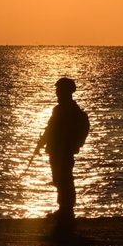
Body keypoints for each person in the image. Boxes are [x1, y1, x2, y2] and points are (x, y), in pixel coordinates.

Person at [36, 77, 90, 223]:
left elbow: (53, 129)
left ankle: (66, 210)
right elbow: (50, 130)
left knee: (64, 179)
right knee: (61, 179)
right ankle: (65, 209)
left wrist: (44, 142)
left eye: (59, 89)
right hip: (58, 150)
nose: (57, 92)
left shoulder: (66, 110)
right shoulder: (64, 109)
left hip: (63, 151)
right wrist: (42, 143)